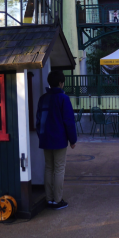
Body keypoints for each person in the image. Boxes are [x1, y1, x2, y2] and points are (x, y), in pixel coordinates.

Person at [35, 70, 77, 210]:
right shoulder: (63, 99)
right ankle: (58, 200)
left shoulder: (43, 98)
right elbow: (69, 121)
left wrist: (41, 136)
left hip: (45, 139)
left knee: (48, 168)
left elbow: (38, 120)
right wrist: (72, 140)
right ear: (60, 83)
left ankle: (49, 199)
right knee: (59, 169)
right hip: (59, 139)